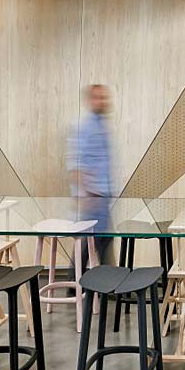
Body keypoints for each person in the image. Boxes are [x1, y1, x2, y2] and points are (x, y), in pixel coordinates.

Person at [67, 84, 115, 271]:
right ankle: (78, 286)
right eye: (97, 98)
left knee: (101, 242)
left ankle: (105, 284)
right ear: (89, 101)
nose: (102, 101)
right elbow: (76, 164)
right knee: (90, 244)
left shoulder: (101, 125)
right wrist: (85, 195)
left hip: (102, 197)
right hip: (93, 198)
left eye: (103, 98)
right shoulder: (85, 127)